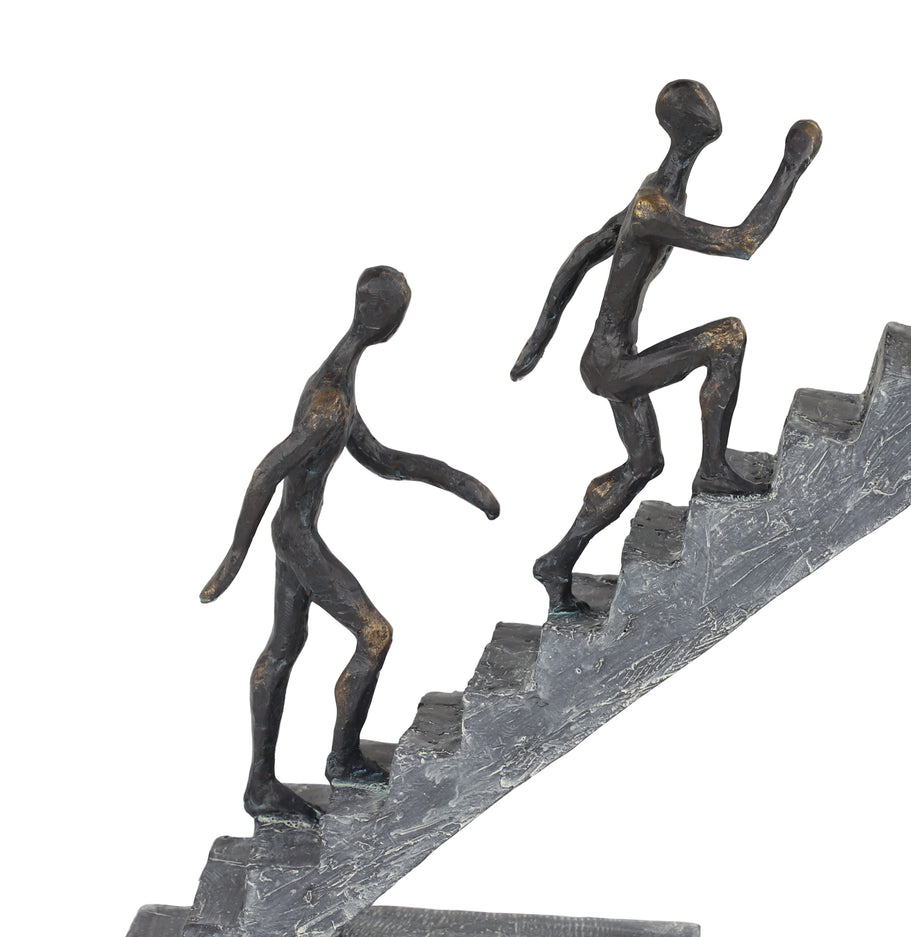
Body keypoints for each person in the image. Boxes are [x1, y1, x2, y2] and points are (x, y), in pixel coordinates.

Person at [201, 266, 500, 822]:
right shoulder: (328, 402)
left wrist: (461, 484)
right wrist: (232, 558)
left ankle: (262, 785)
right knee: (374, 635)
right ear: (382, 316)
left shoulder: (339, 383)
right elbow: (267, 472)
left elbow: (381, 459)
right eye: (398, 312)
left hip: (294, 533)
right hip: (297, 538)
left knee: (284, 646)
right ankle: (341, 759)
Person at [511, 80, 821, 615]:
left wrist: (538, 338)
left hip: (609, 358)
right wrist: (792, 166)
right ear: (691, 127)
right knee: (726, 338)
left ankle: (557, 561)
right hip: (612, 363)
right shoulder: (653, 205)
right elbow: (742, 242)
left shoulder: (656, 189)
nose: (713, 113)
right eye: (704, 109)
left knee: (643, 463)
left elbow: (586, 250)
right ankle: (713, 469)